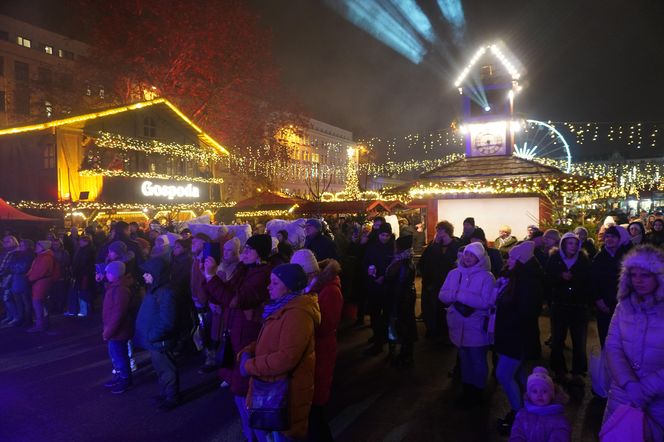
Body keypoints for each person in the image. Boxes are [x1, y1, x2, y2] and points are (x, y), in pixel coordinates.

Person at [202, 233, 272, 442]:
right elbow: (223, 294)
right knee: (238, 390)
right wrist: (208, 277)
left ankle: (257, 436)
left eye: (249, 250)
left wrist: (212, 277)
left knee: (245, 389)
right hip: (235, 331)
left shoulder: (262, 274)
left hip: (247, 336)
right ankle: (250, 434)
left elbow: (236, 300)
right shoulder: (244, 270)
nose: (245, 253)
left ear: (260, 253)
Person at [239, 263, 321, 441]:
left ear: (289, 286)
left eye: (275, 283)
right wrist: (248, 350)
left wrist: (250, 365)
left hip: (286, 394)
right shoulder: (281, 308)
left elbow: (286, 358)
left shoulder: (297, 314)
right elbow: (271, 340)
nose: (269, 287)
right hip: (276, 389)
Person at [603, 245, 664, 441]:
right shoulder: (623, 306)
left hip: (659, 400)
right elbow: (613, 346)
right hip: (622, 394)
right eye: (634, 274)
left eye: (645, 275)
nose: (638, 280)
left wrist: (647, 388)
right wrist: (629, 383)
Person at [291, 249, 343, 442]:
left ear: (310, 273)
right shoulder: (315, 288)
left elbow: (326, 325)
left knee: (316, 411)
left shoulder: (329, 290)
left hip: (321, 351)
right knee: (311, 411)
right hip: (313, 351)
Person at [494, 241, 544, 435]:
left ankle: (518, 414)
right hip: (513, 334)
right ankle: (525, 411)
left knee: (504, 374)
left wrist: (505, 317)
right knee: (518, 374)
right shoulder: (517, 278)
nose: (509, 260)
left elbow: (526, 312)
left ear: (521, 261)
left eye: (513, 258)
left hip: (516, 336)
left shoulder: (528, 282)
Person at [439, 242, 496, 408]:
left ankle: (478, 391)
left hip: (476, 325)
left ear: (480, 258)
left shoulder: (487, 277)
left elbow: (486, 302)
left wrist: (459, 294)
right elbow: (442, 295)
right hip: (457, 324)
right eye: (466, 254)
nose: (468, 258)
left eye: (473, 255)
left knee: (477, 359)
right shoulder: (454, 273)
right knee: (464, 359)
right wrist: (456, 296)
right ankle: (467, 389)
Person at [134, 257, 181, 411]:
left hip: (160, 340)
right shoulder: (156, 289)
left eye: (147, 273)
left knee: (167, 370)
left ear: (156, 274)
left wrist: (152, 336)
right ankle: (165, 393)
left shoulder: (165, 292)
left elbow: (167, 321)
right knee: (161, 369)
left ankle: (171, 397)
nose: (144, 276)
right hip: (155, 340)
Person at [545, 232, 591, 383]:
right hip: (559, 305)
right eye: (570, 243)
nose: (573, 246)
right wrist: (560, 277)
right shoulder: (555, 258)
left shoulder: (583, 259)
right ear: (563, 244)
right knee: (558, 339)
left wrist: (574, 279)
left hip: (578, 306)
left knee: (579, 341)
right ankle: (559, 369)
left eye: (575, 243)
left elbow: (587, 280)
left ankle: (578, 371)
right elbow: (548, 279)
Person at [418, 221, 460, 339]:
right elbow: (424, 262)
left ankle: (446, 333)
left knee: (445, 309)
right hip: (433, 282)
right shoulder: (434, 245)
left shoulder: (456, 245)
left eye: (439, 230)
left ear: (445, 231)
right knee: (432, 308)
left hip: (449, 282)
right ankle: (433, 331)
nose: (437, 232)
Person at [590, 225, 629, 348]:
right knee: (606, 338)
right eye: (607, 237)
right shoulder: (599, 257)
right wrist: (598, 300)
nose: (609, 239)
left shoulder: (626, 255)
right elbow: (593, 280)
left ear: (619, 239)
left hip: (623, 303)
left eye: (613, 237)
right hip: (605, 304)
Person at [509, 366, 571, 442]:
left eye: (544, 391)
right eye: (535, 391)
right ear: (529, 394)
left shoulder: (559, 420)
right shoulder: (521, 416)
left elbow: (560, 437)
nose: (539, 395)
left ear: (552, 395)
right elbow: (516, 434)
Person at [101, 261, 134, 394]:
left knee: (120, 355)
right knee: (115, 354)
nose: (106, 274)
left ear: (114, 274)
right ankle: (121, 376)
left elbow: (119, 313)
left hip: (118, 330)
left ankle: (126, 379)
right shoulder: (115, 286)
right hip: (114, 329)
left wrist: (109, 331)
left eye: (108, 272)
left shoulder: (120, 289)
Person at [362, 222, 395, 356]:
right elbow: (365, 262)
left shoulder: (393, 248)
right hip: (374, 285)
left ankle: (382, 339)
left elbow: (394, 267)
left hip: (387, 287)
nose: (384, 238)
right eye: (382, 235)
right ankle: (377, 336)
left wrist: (384, 277)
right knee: (375, 314)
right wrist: (370, 270)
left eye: (387, 235)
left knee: (386, 314)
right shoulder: (372, 247)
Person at [385, 234, 418, 366]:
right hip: (404, 296)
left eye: (396, 245)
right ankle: (404, 353)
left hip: (402, 298)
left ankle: (405, 355)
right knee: (403, 325)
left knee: (403, 325)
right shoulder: (403, 259)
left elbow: (400, 282)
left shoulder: (402, 263)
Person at [26, 240, 57, 332]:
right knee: (42, 304)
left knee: (38, 303)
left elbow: (40, 272)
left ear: (43, 247)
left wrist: (29, 278)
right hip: (41, 282)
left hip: (40, 283)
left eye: (38, 246)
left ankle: (39, 325)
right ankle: (44, 323)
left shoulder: (45, 257)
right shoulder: (44, 256)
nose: (36, 247)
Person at [67, 234, 96, 317]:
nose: (79, 242)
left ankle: (85, 311)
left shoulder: (86, 251)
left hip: (84, 275)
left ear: (85, 241)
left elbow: (82, 264)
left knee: (84, 292)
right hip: (83, 274)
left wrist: (76, 272)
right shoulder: (84, 249)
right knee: (83, 292)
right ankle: (84, 310)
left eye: (81, 240)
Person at [8, 239, 35, 326]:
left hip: (24, 280)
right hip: (16, 280)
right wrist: (15, 267)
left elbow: (24, 267)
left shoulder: (30, 255)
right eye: (20, 245)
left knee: (26, 300)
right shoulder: (16, 255)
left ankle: (28, 319)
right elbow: (10, 266)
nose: (20, 247)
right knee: (18, 301)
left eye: (22, 245)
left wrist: (16, 268)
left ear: (28, 246)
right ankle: (21, 318)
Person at [0, 235, 19, 325]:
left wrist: (2, 272)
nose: (5, 243)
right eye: (4, 241)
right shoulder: (6, 252)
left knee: (7, 298)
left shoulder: (16, 252)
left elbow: (9, 266)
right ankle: (10, 316)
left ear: (13, 241)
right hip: (4, 278)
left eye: (8, 241)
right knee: (5, 298)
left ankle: (15, 316)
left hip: (10, 278)